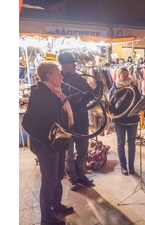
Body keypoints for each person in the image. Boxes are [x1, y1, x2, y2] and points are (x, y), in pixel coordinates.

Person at [22, 61, 74, 225]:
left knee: (58, 175)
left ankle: (56, 205)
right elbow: (28, 123)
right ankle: (46, 217)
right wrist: (46, 140)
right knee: (49, 179)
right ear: (48, 76)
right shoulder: (40, 94)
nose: (61, 76)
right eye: (58, 73)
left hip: (57, 143)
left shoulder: (56, 92)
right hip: (47, 146)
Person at [58, 52, 95, 191]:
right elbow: (62, 102)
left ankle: (82, 175)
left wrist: (93, 93)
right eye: (72, 63)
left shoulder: (79, 78)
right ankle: (72, 178)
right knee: (68, 152)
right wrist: (82, 102)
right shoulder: (59, 80)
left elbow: (89, 94)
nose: (75, 65)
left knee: (82, 150)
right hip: (66, 122)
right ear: (65, 65)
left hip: (81, 120)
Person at [108, 67, 142, 175]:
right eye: (123, 74)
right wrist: (115, 111)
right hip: (120, 120)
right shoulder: (114, 88)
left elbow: (139, 100)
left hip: (132, 119)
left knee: (132, 144)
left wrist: (134, 90)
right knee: (121, 143)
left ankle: (131, 166)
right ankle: (123, 166)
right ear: (118, 75)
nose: (125, 76)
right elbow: (110, 105)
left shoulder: (133, 86)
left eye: (127, 74)